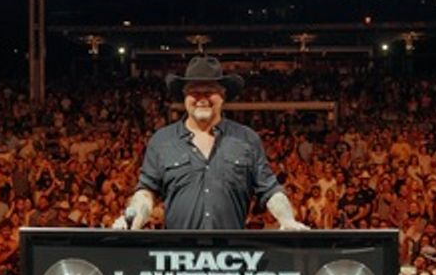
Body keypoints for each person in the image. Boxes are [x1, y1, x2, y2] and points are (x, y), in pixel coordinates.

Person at [112, 57, 306, 231]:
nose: (202, 98)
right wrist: (132, 219)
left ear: (223, 95)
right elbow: (146, 192)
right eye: (194, 91)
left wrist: (287, 220)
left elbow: (270, 190)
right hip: (178, 253)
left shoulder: (247, 139)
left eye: (210, 90)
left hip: (231, 253)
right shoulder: (162, 141)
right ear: (184, 97)